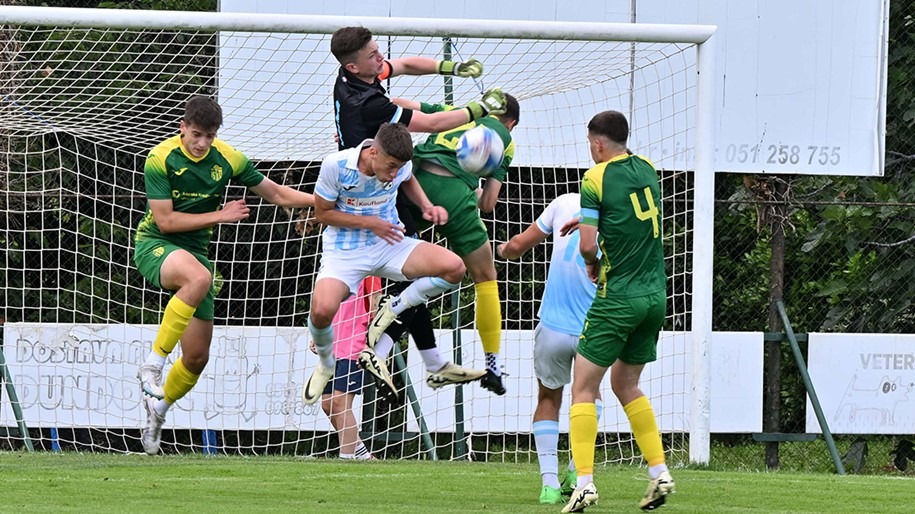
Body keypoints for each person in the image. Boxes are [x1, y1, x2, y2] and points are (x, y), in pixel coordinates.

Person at [134, 95, 316, 456]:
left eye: (210, 136)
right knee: (200, 278)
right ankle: (152, 364)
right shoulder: (160, 158)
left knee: (196, 358)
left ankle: (158, 411)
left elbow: (277, 194)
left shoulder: (228, 158)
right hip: (156, 243)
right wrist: (221, 215)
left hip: (196, 254)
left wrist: (321, 202)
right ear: (183, 127)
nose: (202, 143)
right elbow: (166, 221)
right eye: (196, 135)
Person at [330, 26, 501, 394]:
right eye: (372, 55)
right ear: (353, 66)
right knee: (429, 276)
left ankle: (432, 362)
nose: (380, 58)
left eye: (377, 50)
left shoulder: (354, 76)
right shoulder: (369, 103)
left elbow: (405, 64)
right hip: (371, 198)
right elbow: (433, 123)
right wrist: (479, 110)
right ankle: (377, 348)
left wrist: (451, 68)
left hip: (377, 187)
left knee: (411, 284)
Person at [301, 122, 469, 405]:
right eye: (391, 167)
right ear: (373, 152)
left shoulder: (399, 166)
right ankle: (326, 364)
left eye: (398, 168)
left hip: (389, 243)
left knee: (455, 268)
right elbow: (322, 214)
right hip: (345, 252)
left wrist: (426, 206)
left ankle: (395, 307)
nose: (393, 174)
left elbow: (408, 178)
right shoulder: (336, 165)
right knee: (320, 311)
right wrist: (371, 223)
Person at [561, 110, 674, 513]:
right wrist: (590, 220)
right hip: (654, 295)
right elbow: (629, 213)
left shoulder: (595, 178)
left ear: (597, 144)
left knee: (582, 387)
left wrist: (592, 260)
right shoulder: (647, 168)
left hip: (619, 296)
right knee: (626, 385)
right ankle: (660, 473)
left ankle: (584, 484)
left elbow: (587, 246)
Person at [384, 94, 521, 395]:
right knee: (485, 277)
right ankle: (492, 366)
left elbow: (407, 106)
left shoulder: (457, 112)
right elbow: (489, 203)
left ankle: (372, 342)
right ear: (511, 123)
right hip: (456, 196)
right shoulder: (506, 140)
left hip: (414, 182)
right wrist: (474, 192)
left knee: (384, 257)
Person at [498, 192, 599, 505]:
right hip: (593, 326)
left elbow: (518, 245)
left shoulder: (564, 203)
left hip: (553, 326)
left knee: (547, 398)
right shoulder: (621, 215)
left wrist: (499, 249)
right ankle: (577, 470)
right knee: (589, 396)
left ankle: (549, 485)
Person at [314, 276, 382, 460]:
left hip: (354, 346)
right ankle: (362, 454)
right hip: (331, 346)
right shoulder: (336, 269)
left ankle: (346, 459)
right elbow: (327, 304)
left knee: (340, 404)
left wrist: (371, 344)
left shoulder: (369, 271)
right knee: (328, 405)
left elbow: (376, 307)